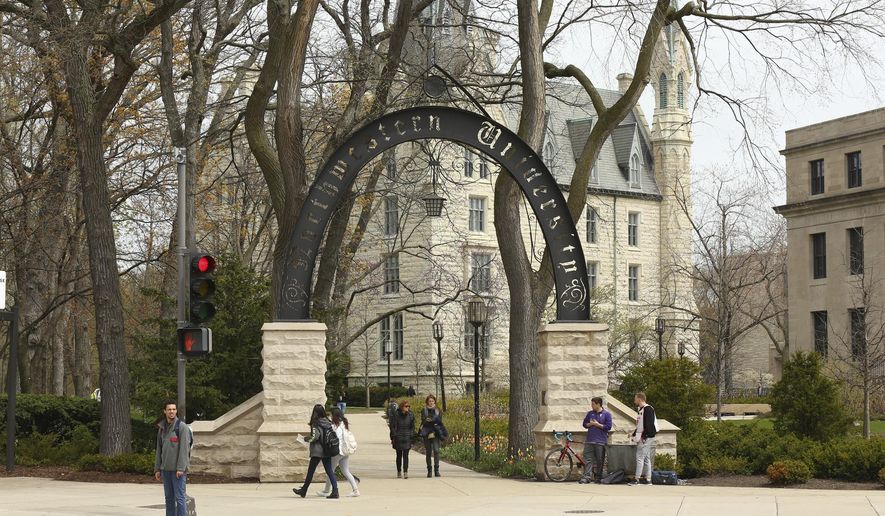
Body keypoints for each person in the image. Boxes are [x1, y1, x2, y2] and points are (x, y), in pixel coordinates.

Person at [293, 405, 339, 499]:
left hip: (317, 451)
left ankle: (303, 490)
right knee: (329, 471)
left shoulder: (316, 423)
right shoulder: (327, 422)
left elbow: (315, 437)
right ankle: (335, 491)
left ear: (315, 412)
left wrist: (305, 439)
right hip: (327, 450)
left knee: (311, 471)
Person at [153, 400, 190, 516]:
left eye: (174, 409)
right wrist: (157, 469)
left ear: (176, 411)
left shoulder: (182, 427)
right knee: (168, 499)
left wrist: (181, 468)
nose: (172, 411)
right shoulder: (162, 428)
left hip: (178, 471)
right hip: (165, 471)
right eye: (169, 409)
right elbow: (159, 450)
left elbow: (184, 449)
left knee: (180, 498)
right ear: (165, 411)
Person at [317, 408, 360, 497]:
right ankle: (355, 490)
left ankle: (326, 490)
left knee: (330, 471)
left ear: (334, 415)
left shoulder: (334, 426)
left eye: (331, 414)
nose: (330, 416)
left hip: (337, 452)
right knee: (345, 471)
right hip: (345, 451)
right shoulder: (344, 423)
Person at [578, 396, 612, 484]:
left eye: (593, 404)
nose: (591, 406)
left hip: (600, 441)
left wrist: (597, 424)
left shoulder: (607, 414)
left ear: (598, 404)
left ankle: (598, 477)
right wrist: (590, 424)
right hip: (590, 440)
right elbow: (584, 424)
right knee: (588, 459)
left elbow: (608, 427)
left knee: (600, 460)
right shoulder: (590, 413)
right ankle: (587, 477)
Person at [628, 392, 657, 485]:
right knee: (646, 458)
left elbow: (648, 425)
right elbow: (640, 425)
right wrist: (633, 434)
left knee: (639, 457)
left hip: (645, 437)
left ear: (640, 399)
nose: (634, 400)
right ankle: (648, 479)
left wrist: (643, 437)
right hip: (645, 436)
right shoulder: (642, 409)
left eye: (635, 398)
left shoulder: (648, 409)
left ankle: (637, 479)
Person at [419, 394, 446, 478]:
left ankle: (436, 470)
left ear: (435, 402)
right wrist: (432, 420)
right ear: (427, 402)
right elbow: (424, 421)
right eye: (429, 401)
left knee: (436, 450)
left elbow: (439, 421)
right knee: (428, 451)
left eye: (432, 401)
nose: (431, 403)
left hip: (435, 432)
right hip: (426, 433)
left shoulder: (438, 410)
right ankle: (429, 470)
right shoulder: (424, 410)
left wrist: (431, 420)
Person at [389, 399, 415, 478]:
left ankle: (405, 471)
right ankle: (399, 471)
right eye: (406, 406)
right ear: (402, 407)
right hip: (398, 437)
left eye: (408, 406)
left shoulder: (410, 415)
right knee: (399, 455)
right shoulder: (396, 415)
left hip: (407, 437)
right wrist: (394, 435)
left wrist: (411, 434)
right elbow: (392, 426)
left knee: (406, 455)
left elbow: (412, 426)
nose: (408, 408)